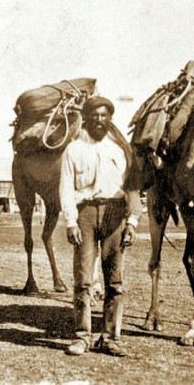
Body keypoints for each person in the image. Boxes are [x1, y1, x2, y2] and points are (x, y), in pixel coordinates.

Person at [59, 96, 142, 357]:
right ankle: (82, 337)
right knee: (83, 280)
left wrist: (132, 222)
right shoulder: (73, 150)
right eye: (94, 115)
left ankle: (109, 338)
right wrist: (70, 221)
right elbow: (66, 188)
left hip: (115, 215)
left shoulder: (120, 151)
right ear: (85, 118)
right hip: (84, 215)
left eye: (104, 115)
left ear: (110, 119)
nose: (99, 120)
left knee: (114, 281)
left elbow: (132, 189)